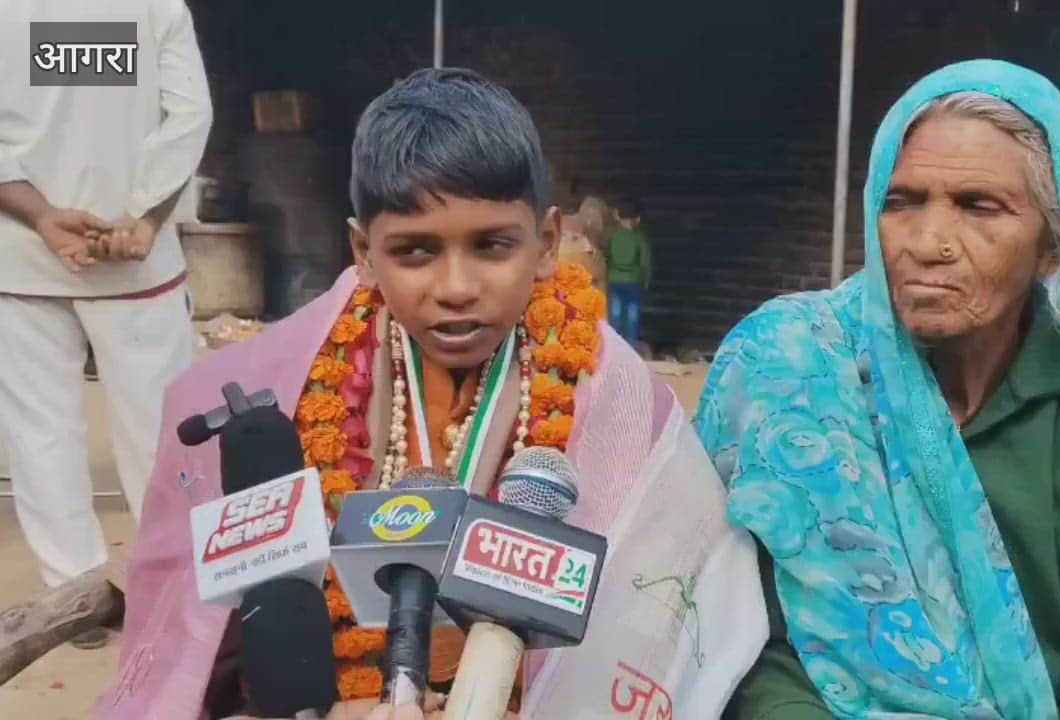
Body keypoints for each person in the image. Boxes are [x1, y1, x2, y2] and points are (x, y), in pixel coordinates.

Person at [95, 68, 766, 720]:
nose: (455, 287)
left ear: (547, 243)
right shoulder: (265, 396)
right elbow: (201, 645)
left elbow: (666, 615)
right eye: (414, 252)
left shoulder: (622, 406)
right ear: (363, 251)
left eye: (492, 246)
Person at [697, 60, 1060, 718]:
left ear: (1053, 246)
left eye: (980, 207)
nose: (928, 243)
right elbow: (748, 648)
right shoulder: (794, 375)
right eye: (901, 203)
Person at [0, 0, 210, 629]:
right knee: (160, 432)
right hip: (134, 260)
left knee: (41, 434)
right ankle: (167, 589)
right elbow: (190, 116)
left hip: (22, 258)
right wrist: (143, 217)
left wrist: (42, 216)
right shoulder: (154, 7)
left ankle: (77, 598)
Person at [604, 197, 651, 346]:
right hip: (634, 281)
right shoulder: (640, 238)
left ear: (617, 215)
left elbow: (606, 255)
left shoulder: (612, 236)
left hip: (614, 280)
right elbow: (645, 262)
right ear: (637, 219)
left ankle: (614, 346)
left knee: (615, 313)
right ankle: (630, 347)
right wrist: (646, 280)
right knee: (632, 315)